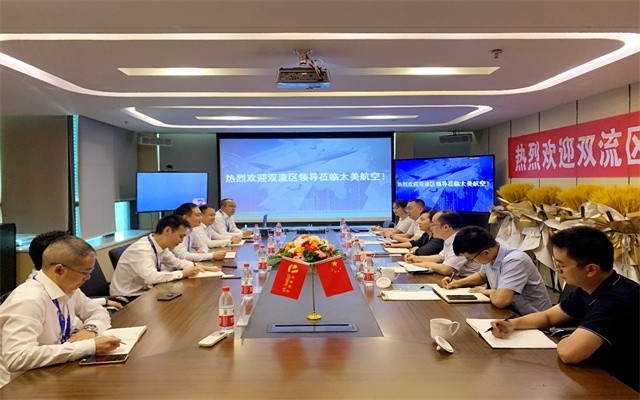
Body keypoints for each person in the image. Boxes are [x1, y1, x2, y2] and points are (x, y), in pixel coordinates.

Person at [490, 226, 639, 391]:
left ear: (591, 269)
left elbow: (570, 353)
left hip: (621, 385)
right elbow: (548, 317)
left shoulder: (618, 299)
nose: (558, 271)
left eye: (561, 265)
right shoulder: (589, 287)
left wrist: (564, 337)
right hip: (595, 370)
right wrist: (512, 324)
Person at [0, 236, 121, 387]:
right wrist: (89, 346)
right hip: (18, 384)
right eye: (85, 272)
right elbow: (17, 357)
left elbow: (98, 312)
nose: (88, 278)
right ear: (59, 270)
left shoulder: (68, 288)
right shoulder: (29, 300)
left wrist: (90, 329)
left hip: (51, 371)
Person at [440, 226, 551, 315]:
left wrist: (487, 291)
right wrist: (457, 283)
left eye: (471, 259)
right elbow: (482, 276)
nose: (472, 262)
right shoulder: (491, 253)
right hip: (510, 311)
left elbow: (501, 301)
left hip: (534, 318)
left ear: (486, 253)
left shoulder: (515, 260)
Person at [110, 215, 218, 298]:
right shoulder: (142, 250)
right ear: (167, 231)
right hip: (128, 297)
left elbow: (177, 263)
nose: (181, 241)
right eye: (181, 236)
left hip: (145, 291)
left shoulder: (159, 245)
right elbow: (152, 277)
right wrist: (183, 273)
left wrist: (197, 266)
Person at [27, 230, 125, 310]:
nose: (87, 277)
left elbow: (88, 308)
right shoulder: (33, 300)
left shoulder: (65, 283)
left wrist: (91, 326)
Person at [405, 210, 479, 277]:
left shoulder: (461, 240)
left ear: (445, 227)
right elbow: (440, 257)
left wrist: (422, 264)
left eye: (433, 224)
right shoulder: (450, 239)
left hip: (468, 282)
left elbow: (446, 269)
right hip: (457, 278)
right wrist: (415, 258)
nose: (431, 228)